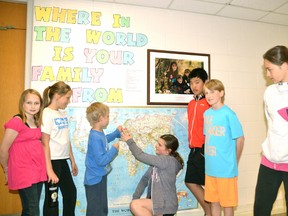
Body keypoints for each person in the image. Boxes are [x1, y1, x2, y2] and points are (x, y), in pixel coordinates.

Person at [0, 89, 47, 216]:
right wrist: (6, 169)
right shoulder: (17, 121)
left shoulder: (37, 121)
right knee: (33, 211)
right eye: (29, 103)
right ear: (23, 104)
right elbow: (3, 149)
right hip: (23, 170)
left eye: (36, 103)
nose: (33, 106)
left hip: (37, 169)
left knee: (29, 208)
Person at [254, 45, 288, 216]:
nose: (268, 74)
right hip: (270, 161)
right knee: (260, 210)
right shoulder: (269, 92)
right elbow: (273, 126)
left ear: (285, 65)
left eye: (270, 69)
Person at [203, 79, 244, 216]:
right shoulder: (207, 114)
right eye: (206, 92)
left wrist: (235, 161)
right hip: (210, 168)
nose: (208, 95)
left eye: (212, 92)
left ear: (221, 93)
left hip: (226, 169)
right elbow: (208, 138)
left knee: (227, 204)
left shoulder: (229, 114)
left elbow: (240, 138)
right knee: (214, 202)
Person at [121, 132, 184, 216]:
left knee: (135, 205)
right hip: (158, 203)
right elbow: (145, 180)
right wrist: (135, 198)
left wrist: (129, 140)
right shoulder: (158, 163)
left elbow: (140, 155)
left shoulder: (168, 161)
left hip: (166, 206)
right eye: (157, 143)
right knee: (135, 203)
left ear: (168, 151)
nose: (156, 146)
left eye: (160, 145)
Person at [41, 81, 78, 216]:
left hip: (62, 160)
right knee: (52, 199)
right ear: (57, 95)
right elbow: (44, 143)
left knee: (71, 193)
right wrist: (49, 170)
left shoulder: (62, 113)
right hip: (52, 161)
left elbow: (65, 140)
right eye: (67, 97)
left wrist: (72, 160)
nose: (68, 101)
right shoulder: (47, 113)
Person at [84, 102, 122, 216]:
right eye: (107, 116)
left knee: (102, 209)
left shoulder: (99, 132)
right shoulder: (95, 136)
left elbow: (104, 139)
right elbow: (101, 161)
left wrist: (116, 133)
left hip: (99, 176)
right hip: (94, 180)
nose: (108, 118)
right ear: (101, 117)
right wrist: (114, 150)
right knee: (95, 211)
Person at [184, 68, 211, 216]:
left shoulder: (208, 103)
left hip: (204, 149)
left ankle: (212, 211)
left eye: (197, 82)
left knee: (211, 186)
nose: (194, 86)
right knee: (190, 181)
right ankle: (209, 210)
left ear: (204, 83)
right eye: (191, 82)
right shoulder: (190, 104)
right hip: (193, 149)